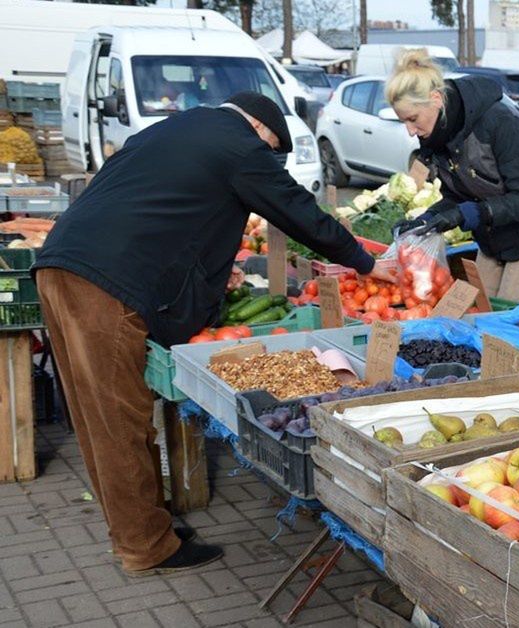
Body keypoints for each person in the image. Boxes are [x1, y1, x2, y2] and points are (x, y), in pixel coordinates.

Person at [33, 92, 392, 577]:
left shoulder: (179, 127)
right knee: (118, 423)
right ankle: (145, 547)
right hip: (103, 285)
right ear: (261, 131)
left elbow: (166, 215)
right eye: (271, 149)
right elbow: (297, 211)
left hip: (63, 266)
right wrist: (364, 261)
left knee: (96, 416)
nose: (267, 158)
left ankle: (142, 528)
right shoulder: (239, 145)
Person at [387, 50, 519, 302]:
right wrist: (427, 219)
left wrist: (468, 213)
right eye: (404, 122)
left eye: (413, 119)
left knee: (508, 316)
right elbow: (455, 195)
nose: (410, 131)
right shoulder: (437, 135)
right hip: (493, 236)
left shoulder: (500, 123)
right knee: (477, 308)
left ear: (436, 99)